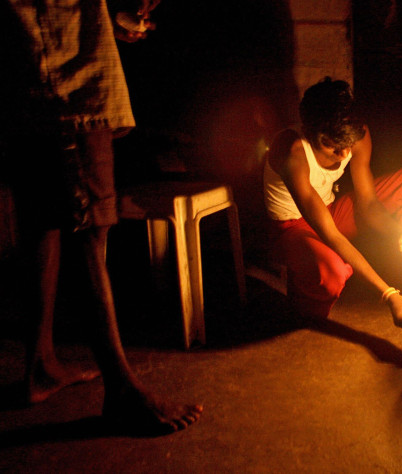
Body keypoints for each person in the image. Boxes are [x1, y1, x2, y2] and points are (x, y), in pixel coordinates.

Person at [0, 0, 202, 433]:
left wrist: (108, 16)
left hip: (29, 70)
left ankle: (40, 365)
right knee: (89, 230)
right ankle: (122, 389)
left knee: (45, 224)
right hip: (66, 78)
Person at [263, 77, 402, 331]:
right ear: (309, 130)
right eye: (331, 146)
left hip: (330, 211)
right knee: (334, 270)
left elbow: (368, 205)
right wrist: (388, 293)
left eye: (347, 146)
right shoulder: (292, 150)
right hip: (292, 227)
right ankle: (306, 302)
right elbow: (330, 234)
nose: (344, 155)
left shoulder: (354, 136)